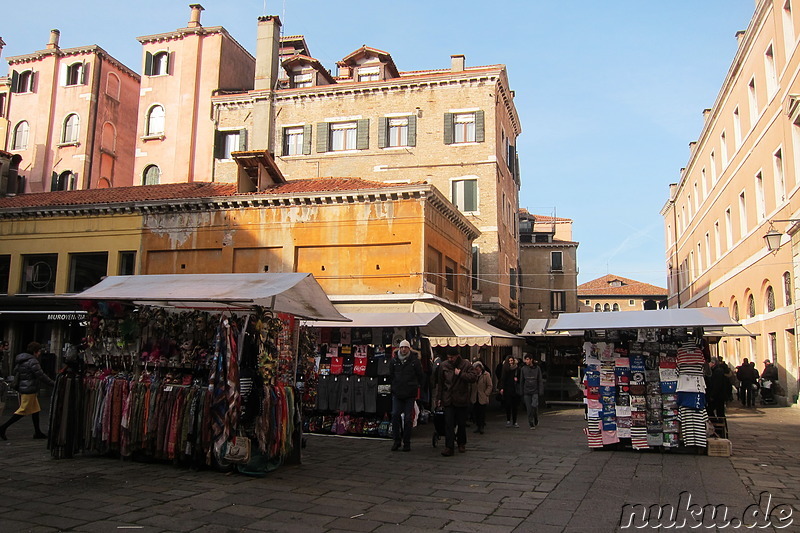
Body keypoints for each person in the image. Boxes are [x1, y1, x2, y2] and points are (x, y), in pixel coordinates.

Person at [0, 341, 54, 440]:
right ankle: (3, 428)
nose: (40, 353)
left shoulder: (22, 360)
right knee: (23, 410)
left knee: (36, 410)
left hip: (25, 387)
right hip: (29, 388)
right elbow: (41, 375)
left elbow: (15, 371)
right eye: (39, 351)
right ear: (35, 351)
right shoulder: (32, 361)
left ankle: (37, 432)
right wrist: (53, 383)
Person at [434, 348, 479, 457]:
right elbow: (440, 383)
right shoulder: (444, 365)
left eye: (452, 357)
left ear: (457, 356)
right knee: (448, 423)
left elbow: (473, 377)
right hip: (448, 398)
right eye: (448, 357)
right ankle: (449, 447)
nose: (450, 359)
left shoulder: (466, 364)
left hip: (461, 398)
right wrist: (438, 398)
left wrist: (461, 374)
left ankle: (461, 442)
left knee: (461, 423)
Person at [389, 340, 424, 452]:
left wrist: (417, 387)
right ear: (399, 348)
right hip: (397, 393)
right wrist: (393, 387)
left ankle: (407, 442)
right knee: (395, 415)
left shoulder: (415, 361)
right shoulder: (394, 361)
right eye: (402, 347)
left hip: (410, 393)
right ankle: (396, 441)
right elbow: (391, 375)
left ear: (409, 349)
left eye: (405, 347)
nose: (403, 349)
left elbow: (421, 376)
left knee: (408, 418)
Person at [519, 354, 545, 429]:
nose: (526, 361)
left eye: (527, 359)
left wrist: (541, 390)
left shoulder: (537, 369)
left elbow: (540, 380)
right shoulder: (523, 369)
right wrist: (521, 391)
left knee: (534, 405)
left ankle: (535, 417)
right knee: (529, 408)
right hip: (526, 391)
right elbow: (521, 381)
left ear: (531, 360)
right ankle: (531, 422)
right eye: (525, 359)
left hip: (535, 391)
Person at [470, 361, 492, 434]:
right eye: (475, 369)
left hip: (482, 396)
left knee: (482, 413)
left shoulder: (486, 375)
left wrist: (486, 393)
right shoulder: (473, 375)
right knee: (476, 412)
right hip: (474, 396)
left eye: (478, 368)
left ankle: (481, 426)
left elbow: (490, 385)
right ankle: (477, 426)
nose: (477, 370)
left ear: (481, 368)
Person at [499, 356, 521, 427]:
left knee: (515, 406)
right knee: (508, 405)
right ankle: (508, 420)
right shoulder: (505, 369)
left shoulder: (517, 369)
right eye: (509, 361)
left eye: (512, 361)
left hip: (514, 389)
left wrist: (517, 379)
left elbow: (520, 378)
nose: (511, 362)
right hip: (507, 389)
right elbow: (502, 379)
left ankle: (514, 421)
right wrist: (502, 388)